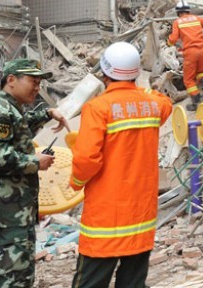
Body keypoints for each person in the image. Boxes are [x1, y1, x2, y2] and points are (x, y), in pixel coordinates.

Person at [69, 41, 173, 288]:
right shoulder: (153, 105)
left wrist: (75, 182)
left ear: (104, 73)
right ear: (135, 73)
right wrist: (144, 91)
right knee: (133, 283)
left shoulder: (97, 108)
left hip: (106, 221)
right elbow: (165, 103)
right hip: (141, 217)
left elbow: (86, 159)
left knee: (90, 282)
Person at [0, 58, 69, 288]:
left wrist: (48, 113)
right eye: (33, 81)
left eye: (40, 83)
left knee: (20, 276)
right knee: (11, 279)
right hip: (1, 213)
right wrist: (34, 162)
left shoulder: (9, 109)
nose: (37, 87)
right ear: (11, 80)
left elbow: (18, 130)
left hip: (11, 211)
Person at [167, 1, 203, 110]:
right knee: (200, 72)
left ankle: (196, 103)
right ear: (188, 10)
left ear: (178, 12)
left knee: (188, 80)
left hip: (191, 52)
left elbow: (173, 39)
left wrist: (168, 43)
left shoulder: (177, 22)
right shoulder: (196, 18)